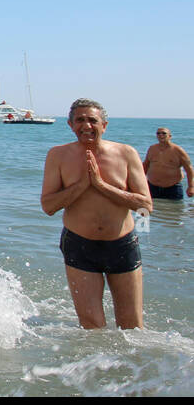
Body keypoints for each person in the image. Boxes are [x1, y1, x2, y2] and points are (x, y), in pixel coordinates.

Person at [41, 99, 151, 329]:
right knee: (92, 326)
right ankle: (97, 366)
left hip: (122, 245)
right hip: (79, 245)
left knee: (132, 325)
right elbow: (49, 206)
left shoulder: (126, 153)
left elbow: (145, 206)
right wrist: (82, 184)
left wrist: (101, 185)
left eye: (93, 120)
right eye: (80, 120)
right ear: (71, 125)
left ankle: (132, 366)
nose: (86, 125)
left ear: (104, 125)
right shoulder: (58, 156)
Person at [143, 127, 192, 200]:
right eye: (158, 133)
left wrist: (191, 187)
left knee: (173, 210)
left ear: (170, 136)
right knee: (153, 210)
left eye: (164, 133)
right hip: (152, 187)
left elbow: (189, 169)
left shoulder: (178, 151)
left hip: (173, 189)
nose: (161, 135)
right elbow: (145, 166)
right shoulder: (152, 149)